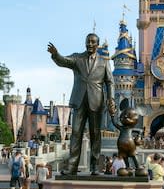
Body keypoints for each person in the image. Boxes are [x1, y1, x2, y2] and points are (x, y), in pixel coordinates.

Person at [48, 35, 117, 176]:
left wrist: (111, 99)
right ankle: (72, 167)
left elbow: (110, 82)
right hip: (79, 101)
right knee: (76, 133)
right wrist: (56, 54)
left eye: (93, 42)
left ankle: (94, 167)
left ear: (98, 45)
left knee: (95, 134)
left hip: (96, 101)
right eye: (88, 42)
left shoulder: (104, 62)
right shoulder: (77, 58)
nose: (90, 44)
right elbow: (64, 61)